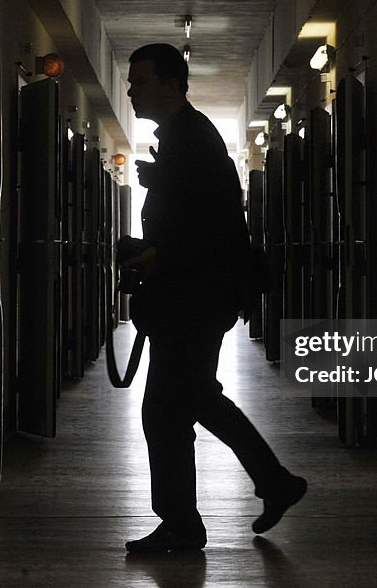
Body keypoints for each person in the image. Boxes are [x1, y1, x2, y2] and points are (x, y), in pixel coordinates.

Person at [122, 43, 306, 553]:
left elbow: (211, 227)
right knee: (177, 405)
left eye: (141, 80)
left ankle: (200, 515)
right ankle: (238, 497)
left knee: (177, 403)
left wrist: (158, 255)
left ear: (172, 84)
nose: (132, 90)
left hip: (194, 299)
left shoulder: (193, 139)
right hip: (194, 296)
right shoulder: (185, 138)